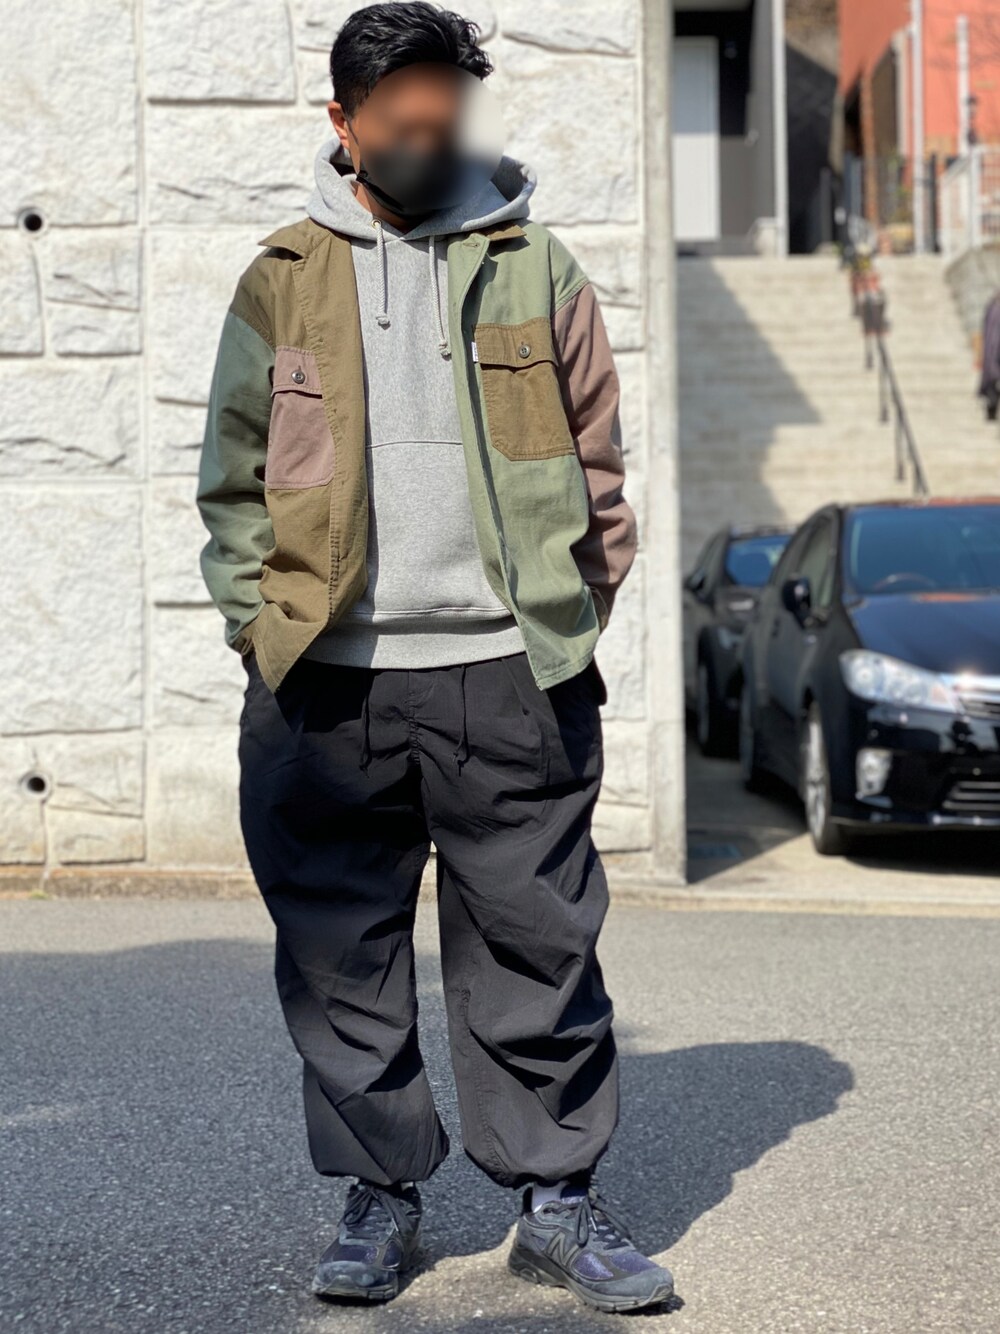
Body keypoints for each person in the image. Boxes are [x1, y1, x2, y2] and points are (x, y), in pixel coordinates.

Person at [195, 1, 673, 1315]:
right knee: (341, 955)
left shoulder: (537, 266)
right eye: (398, 122)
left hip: (508, 674)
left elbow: (599, 471)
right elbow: (234, 482)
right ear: (343, 124)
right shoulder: (281, 276)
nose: (425, 141)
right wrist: (262, 631)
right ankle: (378, 1197)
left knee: (539, 947)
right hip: (328, 684)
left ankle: (556, 1201)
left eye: (443, 119)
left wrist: (568, 624)